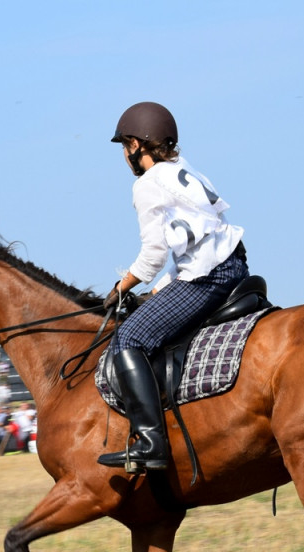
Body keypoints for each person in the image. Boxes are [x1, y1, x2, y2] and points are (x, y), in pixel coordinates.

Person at [98, 101, 249, 472]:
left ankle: (152, 442)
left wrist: (123, 285)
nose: (124, 156)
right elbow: (191, 250)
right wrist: (156, 293)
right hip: (233, 265)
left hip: (207, 278)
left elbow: (152, 255)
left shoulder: (147, 184)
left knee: (129, 339)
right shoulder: (185, 169)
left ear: (136, 145)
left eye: (124, 147)